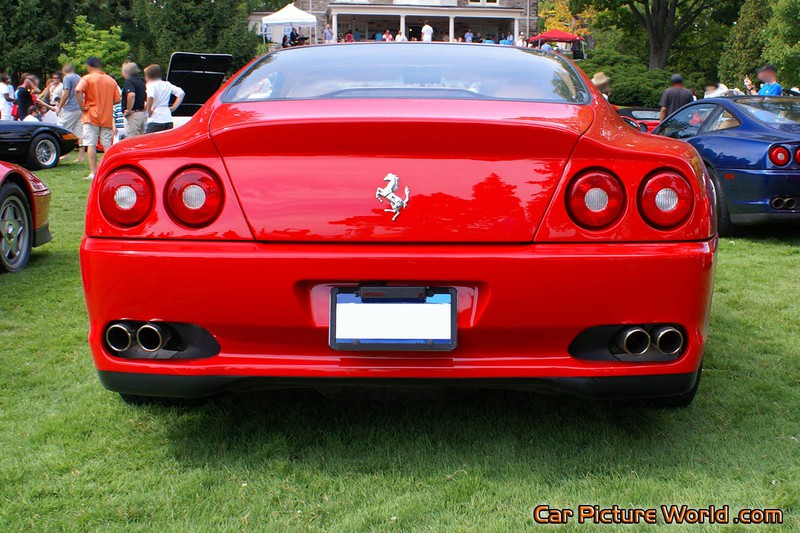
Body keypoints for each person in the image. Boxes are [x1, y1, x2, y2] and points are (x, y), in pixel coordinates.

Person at [75, 57, 121, 180]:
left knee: (91, 144)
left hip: (91, 114)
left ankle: (93, 172)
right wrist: (106, 102)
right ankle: (110, 169)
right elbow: (117, 99)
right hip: (106, 116)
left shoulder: (87, 78)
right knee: (106, 144)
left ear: (89, 66)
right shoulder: (111, 80)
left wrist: (82, 107)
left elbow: (78, 91)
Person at [143, 64, 185, 134]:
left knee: (149, 141)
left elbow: (150, 97)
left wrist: (149, 110)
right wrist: (174, 107)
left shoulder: (151, 85)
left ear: (148, 76)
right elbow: (181, 93)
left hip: (156, 118)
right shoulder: (167, 84)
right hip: (168, 118)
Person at [56, 63, 85, 162]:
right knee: (79, 133)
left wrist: (60, 107)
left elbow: (65, 93)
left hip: (70, 109)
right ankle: (81, 156)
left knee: (62, 129)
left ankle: (64, 153)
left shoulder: (67, 78)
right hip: (79, 108)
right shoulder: (79, 77)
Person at [121, 62, 147, 138]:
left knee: (132, 139)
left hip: (133, 115)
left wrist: (129, 110)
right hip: (141, 113)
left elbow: (131, 94)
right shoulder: (141, 82)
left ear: (126, 72)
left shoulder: (129, 81)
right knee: (141, 139)